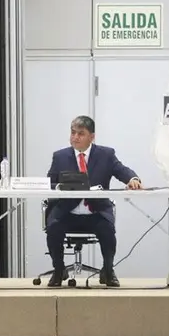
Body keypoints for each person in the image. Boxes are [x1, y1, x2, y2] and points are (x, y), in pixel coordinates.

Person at [45, 115, 142, 288]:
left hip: (95, 212)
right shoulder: (60, 156)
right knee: (53, 229)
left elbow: (122, 170)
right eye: (73, 133)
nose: (75, 137)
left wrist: (132, 179)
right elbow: (49, 183)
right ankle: (59, 270)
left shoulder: (106, 154)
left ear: (92, 137)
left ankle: (108, 270)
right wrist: (61, 186)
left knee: (107, 231)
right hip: (68, 212)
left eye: (81, 134)